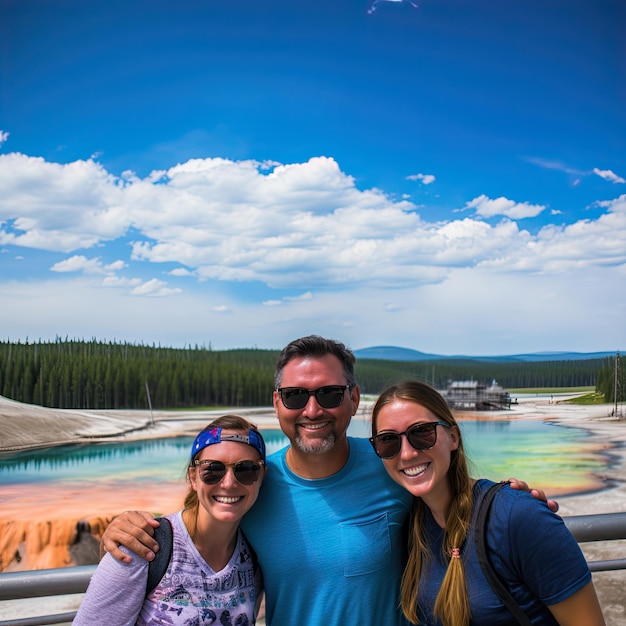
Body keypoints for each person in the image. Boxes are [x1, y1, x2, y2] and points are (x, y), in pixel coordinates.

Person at [101, 336, 558, 626]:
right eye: (297, 395)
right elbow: (201, 518)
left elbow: (449, 490)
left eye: (330, 394)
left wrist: (510, 504)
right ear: (278, 402)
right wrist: (129, 527)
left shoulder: (390, 462)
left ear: (354, 398)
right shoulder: (253, 479)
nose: (313, 410)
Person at [370, 380, 605, 626]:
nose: (407, 453)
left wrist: (522, 506)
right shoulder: (413, 527)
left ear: (453, 438)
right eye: (388, 441)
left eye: (421, 432)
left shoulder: (517, 516)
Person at [74, 415, 266, 625]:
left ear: (262, 476)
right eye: (213, 469)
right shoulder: (143, 545)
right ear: (193, 477)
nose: (228, 483)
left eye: (246, 470)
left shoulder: (254, 557)